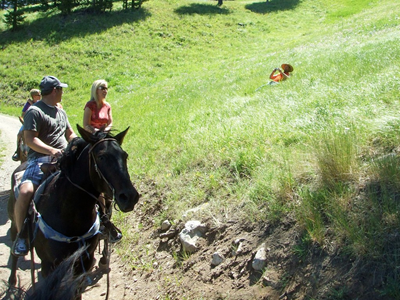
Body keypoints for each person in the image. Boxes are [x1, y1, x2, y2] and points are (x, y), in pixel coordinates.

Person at [12, 76, 77, 256]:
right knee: (25, 192)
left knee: (87, 182)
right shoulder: (34, 111)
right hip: (39, 160)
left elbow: (70, 134)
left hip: (63, 159)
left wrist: (80, 143)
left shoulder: (61, 112)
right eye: (61, 89)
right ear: (54, 90)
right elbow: (30, 139)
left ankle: (102, 223)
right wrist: (51, 150)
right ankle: (21, 236)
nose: (63, 92)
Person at [82, 79, 121, 243]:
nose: (105, 90)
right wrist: (96, 132)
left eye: (106, 88)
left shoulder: (107, 105)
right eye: (102, 88)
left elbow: (110, 121)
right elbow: (85, 124)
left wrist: (105, 131)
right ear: (95, 90)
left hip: (104, 137)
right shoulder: (90, 106)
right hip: (91, 139)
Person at [12, 89, 42, 162]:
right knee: (19, 134)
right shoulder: (28, 104)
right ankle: (18, 152)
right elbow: (23, 114)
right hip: (28, 123)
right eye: (38, 95)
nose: (40, 96)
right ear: (34, 96)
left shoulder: (41, 103)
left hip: (39, 123)